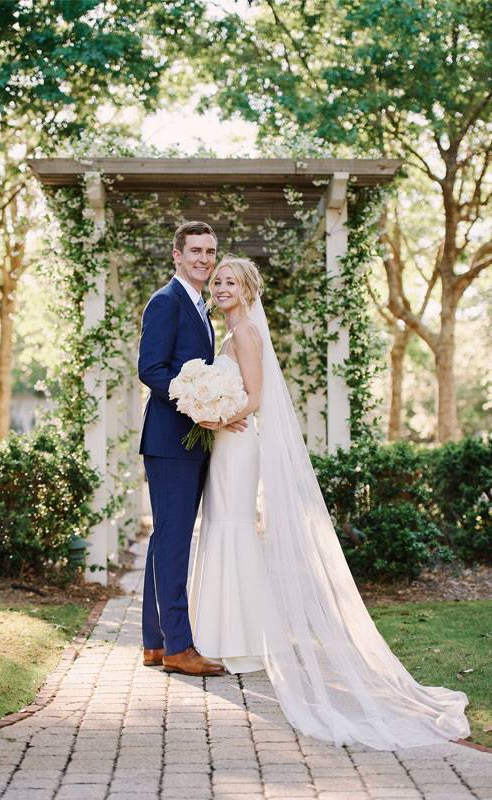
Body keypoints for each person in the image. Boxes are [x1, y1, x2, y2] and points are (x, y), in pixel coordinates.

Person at [189, 254, 471, 750]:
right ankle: (222, 636)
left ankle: (242, 643)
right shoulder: (228, 336)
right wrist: (207, 408)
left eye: (230, 281)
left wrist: (213, 416)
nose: (221, 288)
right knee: (220, 526)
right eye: (217, 282)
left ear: (248, 289)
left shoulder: (247, 335)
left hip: (236, 440)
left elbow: (255, 397)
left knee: (231, 528)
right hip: (226, 442)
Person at [138, 221, 245, 677]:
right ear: (176, 255)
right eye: (195, 250)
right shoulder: (166, 302)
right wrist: (195, 403)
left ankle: (154, 642)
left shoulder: (199, 306)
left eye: (210, 251)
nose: (204, 258)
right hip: (169, 441)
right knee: (175, 540)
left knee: (166, 537)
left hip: (187, 441)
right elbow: (151, 368)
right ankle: (180, 648)